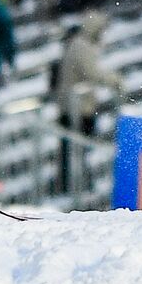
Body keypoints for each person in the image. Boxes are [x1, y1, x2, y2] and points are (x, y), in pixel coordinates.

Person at [53, 11, 124, 194]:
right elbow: (92, 72)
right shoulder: (81, 46)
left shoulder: (76, 43)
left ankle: (71, 184)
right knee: (77, 146)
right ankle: (75, 185)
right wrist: (114, 80)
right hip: (77, 106)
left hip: (72, 104)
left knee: (71, 148)